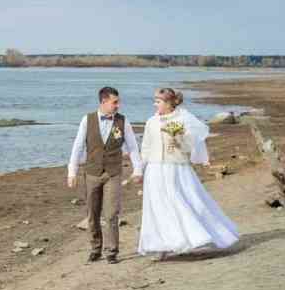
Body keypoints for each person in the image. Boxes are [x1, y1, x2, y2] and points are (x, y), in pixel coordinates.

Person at [138, 87, 239, 261]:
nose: (155, 104)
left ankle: (199, 236)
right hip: (154, 169)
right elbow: (146, 147)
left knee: (184, 202)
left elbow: (191, 144)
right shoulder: (151, 122)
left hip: (176, 168)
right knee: (156, 207)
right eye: (155, 101)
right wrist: (139, 169)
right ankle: (161, 246)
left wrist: (178, 138)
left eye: (158, 101)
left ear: (169, 103)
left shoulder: (183, 119)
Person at [68, 86, 143, 264]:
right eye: (114, 102)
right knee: (92, 214)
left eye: (118, 102)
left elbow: (133, 148)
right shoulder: (87, 120)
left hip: (113, 173)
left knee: (111, 214)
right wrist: (72, 171)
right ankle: (95, 248)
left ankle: (111, 252)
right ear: (103, 102)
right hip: (92, 173)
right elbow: (78, 147)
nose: (118, 105)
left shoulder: (123, 121)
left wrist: (138, 169)